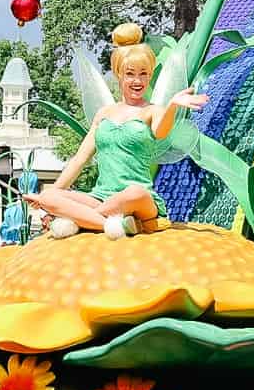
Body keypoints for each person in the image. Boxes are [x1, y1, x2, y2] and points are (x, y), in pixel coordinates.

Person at [27, 23, 208, 236]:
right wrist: (52, 196)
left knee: (134, 193)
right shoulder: (104, 114)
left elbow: (161, 132)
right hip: (101, 196)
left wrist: (172, 106)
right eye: (130, 73)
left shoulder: (153, 111)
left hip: (138, 201)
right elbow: (79, 160)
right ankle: (112, 224)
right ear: (118, 74)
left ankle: (85, 220)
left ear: (150, 75)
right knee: (49, 196)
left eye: (144, 73)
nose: (137, 80)